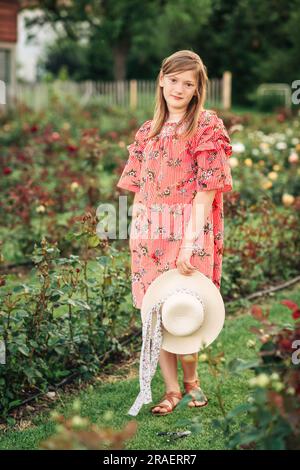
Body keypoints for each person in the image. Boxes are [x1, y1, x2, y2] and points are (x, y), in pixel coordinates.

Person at [117, 50, 233, 414]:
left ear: (198, 90)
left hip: (189, 232)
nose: (179, 89)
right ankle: (171, 391)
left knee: (186, 306)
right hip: (150, 237)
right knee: (158, 313)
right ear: (161, 81)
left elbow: (207, 191)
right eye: (173, 80)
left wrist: (189, 243)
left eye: (188, 83)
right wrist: (136, 232)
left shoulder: (206, 127)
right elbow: (138, 190)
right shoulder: (146, 133)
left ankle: (192, 381)